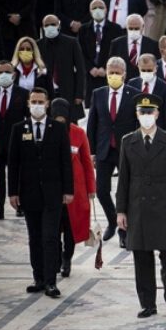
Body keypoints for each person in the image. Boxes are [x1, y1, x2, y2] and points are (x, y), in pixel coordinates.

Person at [116, 93, 166, 318]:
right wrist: (121, 210)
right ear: (137, 115)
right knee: (142, 259)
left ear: (157, 113)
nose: (146, 116)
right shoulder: (128, 141)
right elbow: (123, 179)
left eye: (150, 112)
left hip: (164, 205)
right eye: (142, 112)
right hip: (138, 207)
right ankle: (148, 303)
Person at [8, 87, 73, 298]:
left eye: (40, 101)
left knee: (50, 237)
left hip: (53, 193)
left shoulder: (57, 128)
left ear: (47, 104)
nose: (37, 105)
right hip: (29, 193)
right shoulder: (19, 129)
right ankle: (38, 278)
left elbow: (65, 162)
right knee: (34, 237)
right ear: (28, 103)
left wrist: (68, 190)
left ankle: (51, 281)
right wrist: (12, 193)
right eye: (33, 101)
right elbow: (14, 163)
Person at [86, 57, 140, 247]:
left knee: (124, 191)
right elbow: (92, 123)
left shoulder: (134, 94)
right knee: (101, 190)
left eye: (117, 72)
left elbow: (138, 124)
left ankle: (124, 231)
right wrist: (91, 151)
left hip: (126, 150)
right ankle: (111, 220)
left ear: (124, 74)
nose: (114, 76)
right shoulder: (98, 94)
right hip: (103, 149)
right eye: (111, 73)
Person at [49, 98, 95, 278]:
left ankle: (67, 258)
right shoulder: (47, 132)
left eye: (63, 119)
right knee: (53, 227)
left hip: (76, 191)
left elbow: (86, 162)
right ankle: (57, 258)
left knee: (70, 228)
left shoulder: (78, 133)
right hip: (53, 188)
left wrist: (91, 188)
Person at [0, 62, 27, 221]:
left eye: (7, 71)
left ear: (14, 74)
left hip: (16, 142)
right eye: (0, 72)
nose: (4, 74)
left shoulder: (23, 93)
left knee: (17, 175)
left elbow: (29, 119)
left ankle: (20, 206)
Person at [37, 15, 87, 122]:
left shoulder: (71, 42)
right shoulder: (38, 45)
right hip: (47, 93)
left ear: (59, 25)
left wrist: (79, 94)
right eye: (47, 25)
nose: (50, 27)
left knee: (71, 125)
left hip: (69, 91)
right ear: (43, 27)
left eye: (53, 24)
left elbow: (80, 69)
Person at [79, 0, 124, 108]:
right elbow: (80, 52)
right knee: (90, 107)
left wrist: (106, 68)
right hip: (90, 75)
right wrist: (90, 68)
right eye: (94, 8)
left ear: (106, 10)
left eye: (100, 7)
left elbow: (118, 51)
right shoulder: (83, 29)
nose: (97, 10)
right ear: (90, 11)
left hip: (109, 74)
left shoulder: (116, 29)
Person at [128, 54, 166, 131]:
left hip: (158, 132)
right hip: (136, 132)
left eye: (149, 70)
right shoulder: (132, 84)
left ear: (156, 68)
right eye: (143, 70)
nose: (146, 73)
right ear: (138, 68)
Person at [108, 14, 159, 81]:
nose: (134, 31)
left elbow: (156, 65)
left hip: (143, 82)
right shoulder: (117, 43)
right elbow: (111, 64)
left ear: (143, 27)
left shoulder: (152, 44)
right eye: (131, 28)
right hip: (122, 82)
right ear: (126, 27)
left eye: (137, 28)